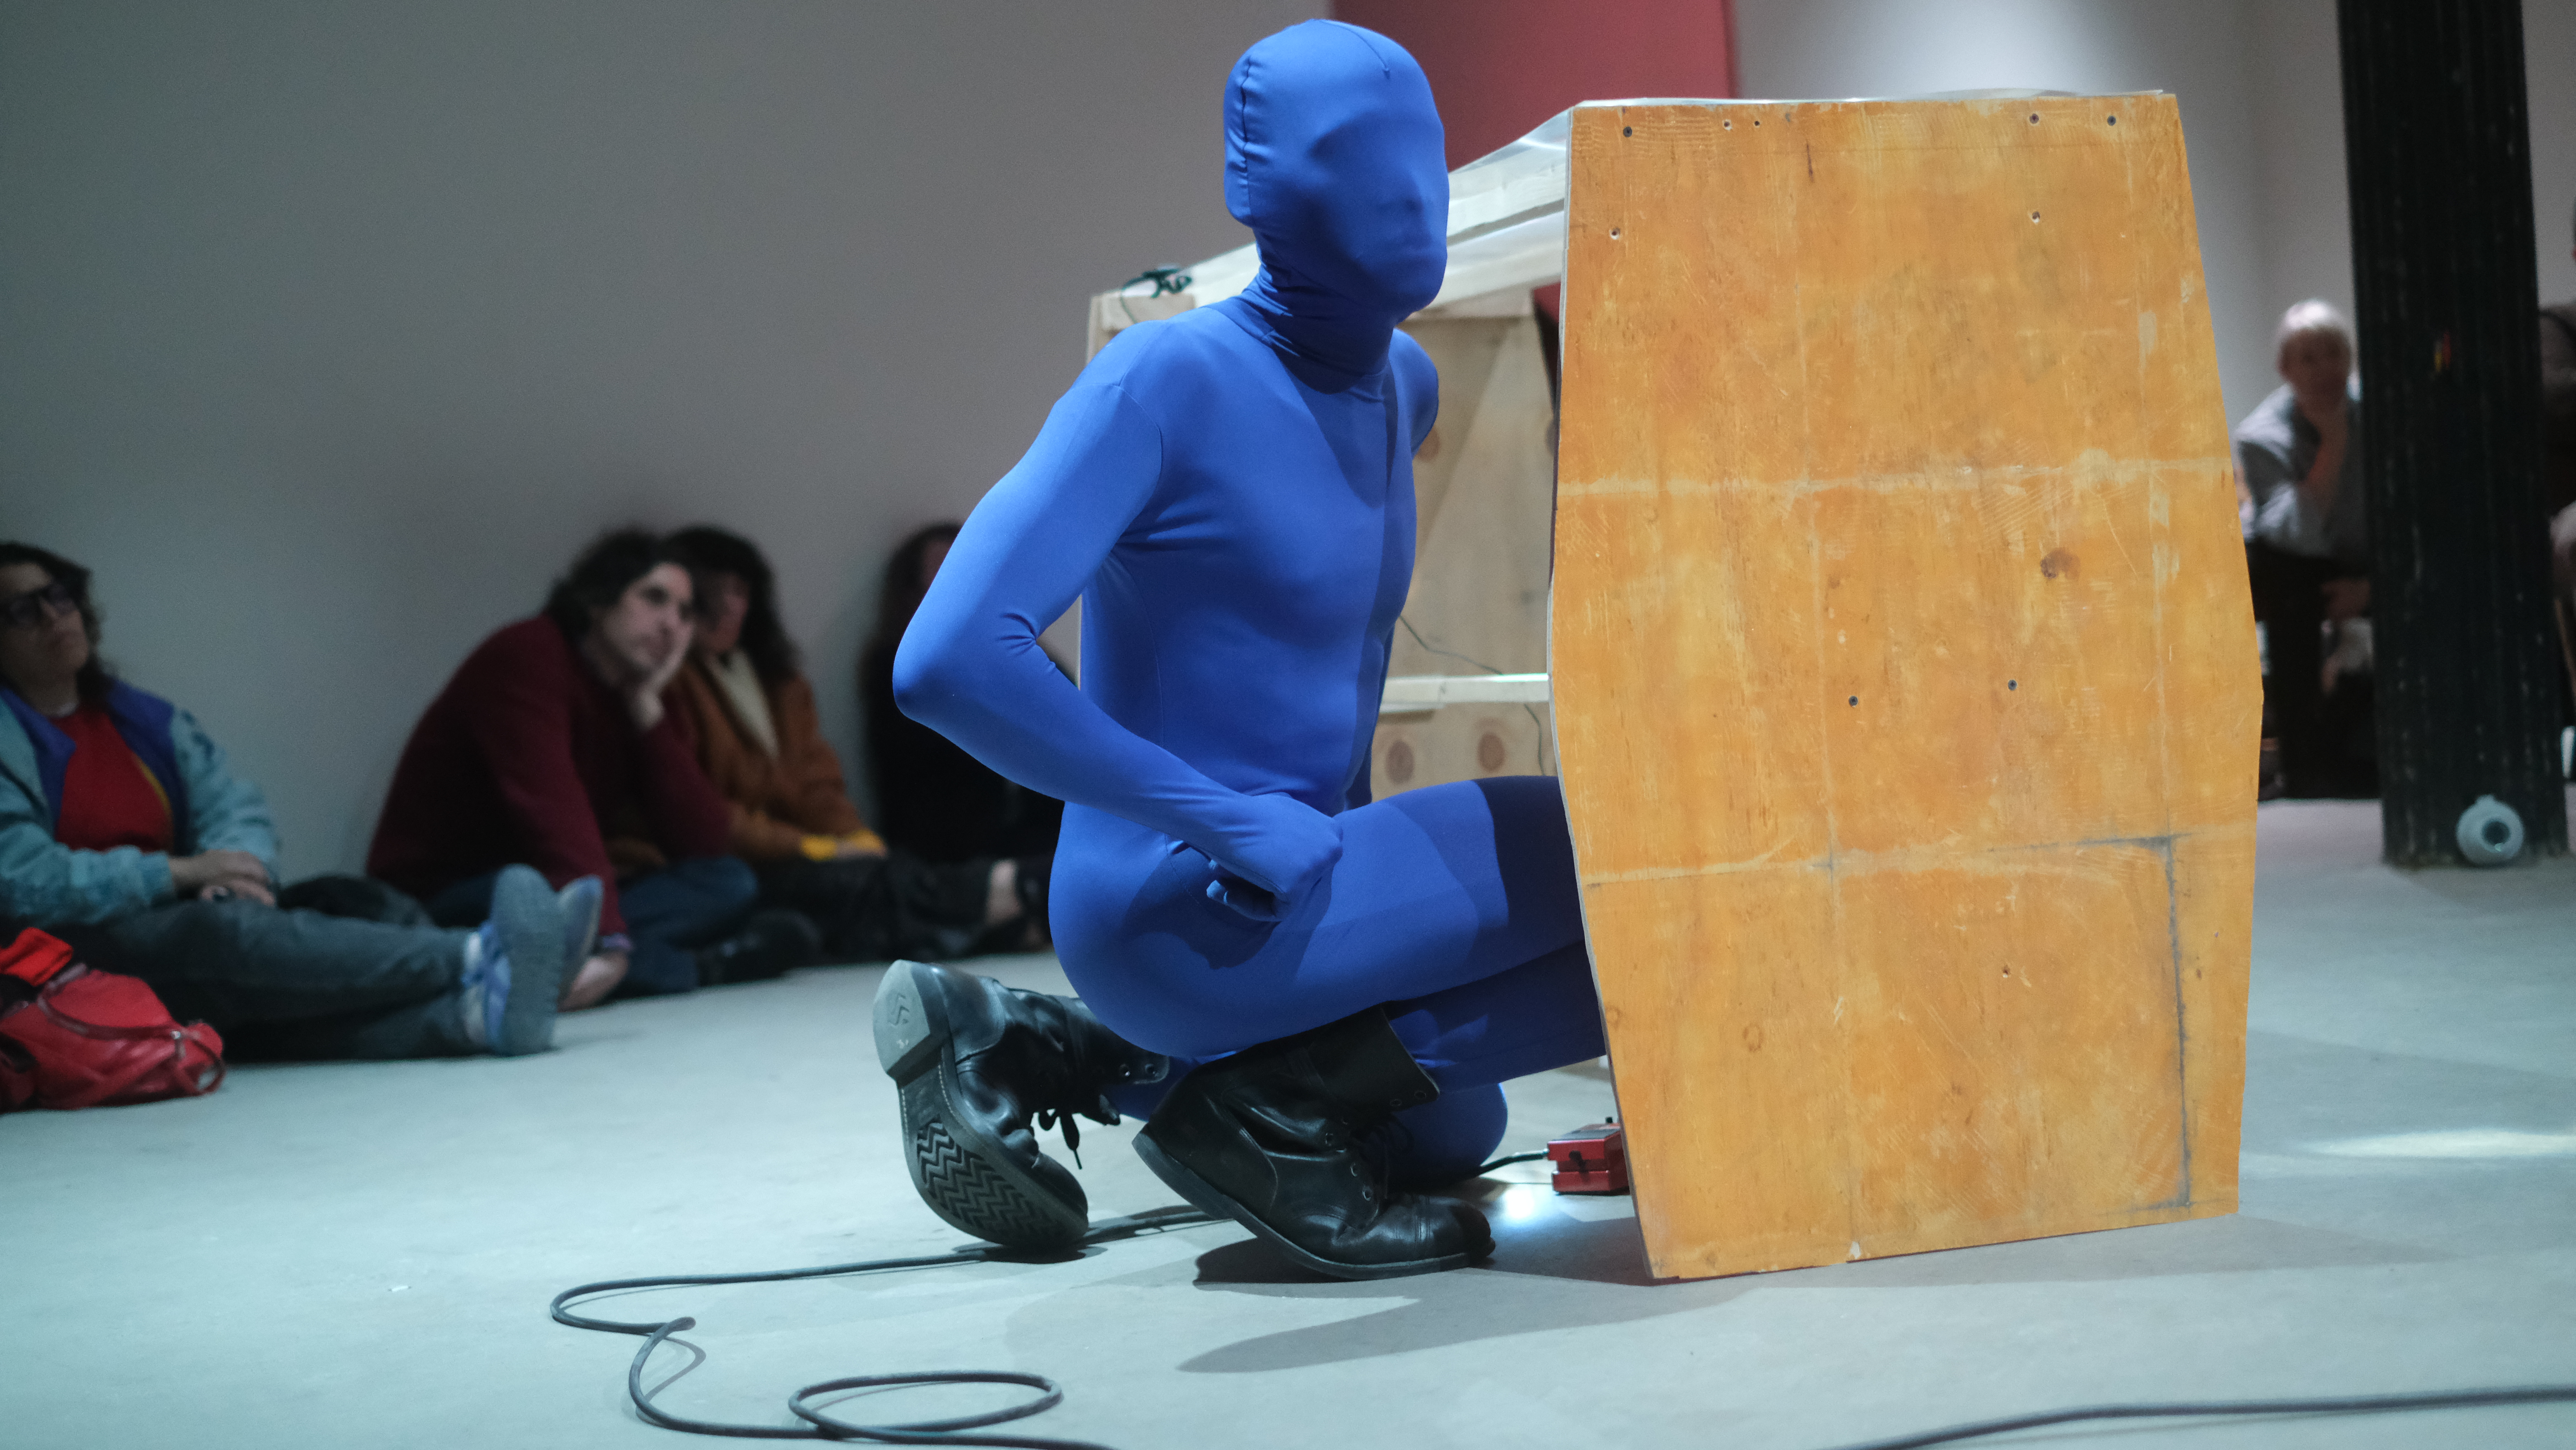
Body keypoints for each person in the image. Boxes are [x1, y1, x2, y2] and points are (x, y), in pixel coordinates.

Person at [871, 21, 1607, 1280]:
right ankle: (1240, 1097)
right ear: (1257, 190)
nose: (1406, 193)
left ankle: (1078, 1053)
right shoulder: (1166, 381)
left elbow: (1321, 669)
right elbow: (948, 657)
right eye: (1353, 157)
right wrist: (1219, 819)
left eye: (1421, 153)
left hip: (1301, 881)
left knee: (1452, 1129)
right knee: (1615, 870)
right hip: (1175, 898)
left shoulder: (1406, 384)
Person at [0, 543, 594, 1059]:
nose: (54, 617)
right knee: (221, 938)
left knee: (350, 903)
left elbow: (231, 803)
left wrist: (239, 871)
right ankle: (480, 955)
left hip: (180, 916)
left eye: (59, 596)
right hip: (64, 954)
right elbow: (25, 881)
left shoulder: (140, 719)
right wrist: (179, 875)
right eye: (24, 611)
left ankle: (477, 1016)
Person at [368, 528, 797, 1002]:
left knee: (729, 881)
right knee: (534, 900)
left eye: (685, 612)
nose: (672, 624)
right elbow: (552, 813)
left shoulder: (638, 690)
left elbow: (704, 839)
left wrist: (647, 711)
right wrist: (609, 941)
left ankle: (575, 961)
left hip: (551, 887)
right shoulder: (528, 654)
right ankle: (695, 966)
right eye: (655, 598)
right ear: (598, 600)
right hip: (448, 893)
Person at [662, 524, 1046, 963]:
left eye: (740, 591)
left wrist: (851, 838)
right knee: (866, 888)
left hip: (809, 848)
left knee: (880, 874)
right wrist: (810, 847)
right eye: (716, 593)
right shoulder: (675, 685)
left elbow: (818, 783)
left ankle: (1017, 902)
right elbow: (705, 811)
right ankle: (1020, 891)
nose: (732, 605)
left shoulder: (778, 681)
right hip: (750, 860)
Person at [859, 523, 1063, 864]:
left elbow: (1070, 715)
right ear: (913, 592)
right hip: (950, 853)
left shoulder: (1011, 652)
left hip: (1027, 838)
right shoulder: (898, 667)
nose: (962, 583)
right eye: (944, 573)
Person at [2236, 299, 2372, 797]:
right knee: (2284, 579)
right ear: (2285, 368)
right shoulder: (2261, 437)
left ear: (2350, 357)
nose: (2323, 369)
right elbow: (2294, 536)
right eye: (2307, 358)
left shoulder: (2382, 414)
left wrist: (2370, 588)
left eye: (2333, 353)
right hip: (2291, 563)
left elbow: (2412, 513)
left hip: (2369, 561)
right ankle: (2304, 764)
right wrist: (2333, 443)